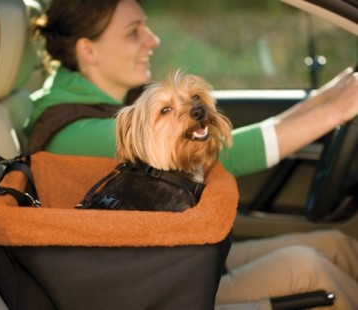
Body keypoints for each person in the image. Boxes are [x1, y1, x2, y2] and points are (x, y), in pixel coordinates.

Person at [24, 0, 358, 309]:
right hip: (159, 285)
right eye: (134, 31)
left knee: (334, 243)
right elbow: (220, 153)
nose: (152, 40)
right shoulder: (78, 132)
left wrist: (332, 94)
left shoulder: (106, 103)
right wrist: (334, 111)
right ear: (88, 50)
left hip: (181, 255)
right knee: (308, 265)